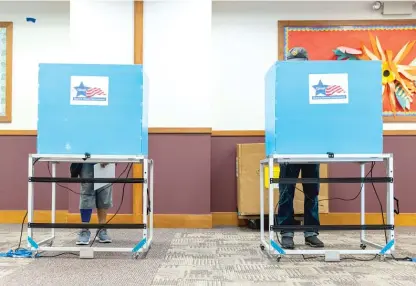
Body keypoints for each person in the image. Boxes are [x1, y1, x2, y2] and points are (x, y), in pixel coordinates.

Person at [275, 47, 324, 249]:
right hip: (289, 146)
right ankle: (286, 232)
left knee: (312, 191)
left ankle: (311, 232)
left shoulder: (316, 85)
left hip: (311, 145)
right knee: (287, 191)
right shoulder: (282, 87)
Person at [75, 163, 113, 245]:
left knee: (104, 193)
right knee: (86, 192)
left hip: (106, 155)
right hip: (86, 158)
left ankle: (101, 229)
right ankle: (85, 229)